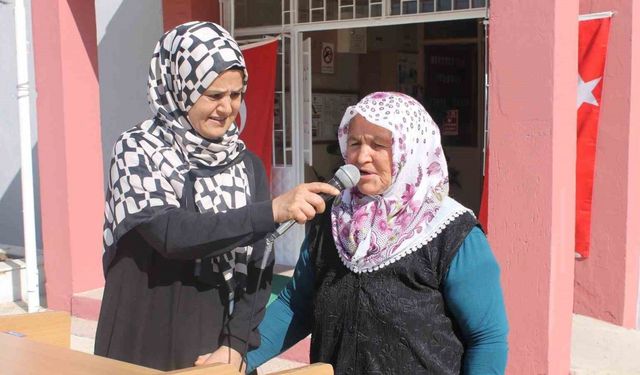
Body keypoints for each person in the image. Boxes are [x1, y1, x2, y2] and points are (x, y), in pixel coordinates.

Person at [94, 21, 338, 372]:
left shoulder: (246, 164)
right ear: (181, 88)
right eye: (213, 95)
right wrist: (270, 212)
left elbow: (259, 262)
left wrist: (236, 345)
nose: (227, 108)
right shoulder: (137, 150)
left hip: (212, 349)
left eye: (235, 95)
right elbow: (171, 234)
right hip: (141, 341)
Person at [247, 92, 509, 374]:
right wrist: (238, 359)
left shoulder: (452, 232)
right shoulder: (330, 219)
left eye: (379, 145)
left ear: (410, 149)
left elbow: (488, 339)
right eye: (355, 142)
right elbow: (297, 306)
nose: (361, 157)